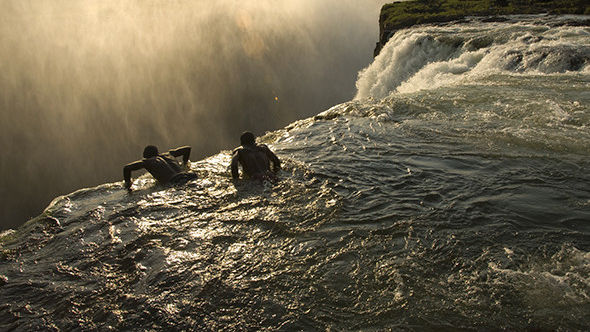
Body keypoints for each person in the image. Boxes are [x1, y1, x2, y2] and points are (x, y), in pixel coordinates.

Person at [123, 145, 196, 191]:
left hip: (173, 182)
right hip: (189, 175)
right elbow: (187, 149)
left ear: (146, 157)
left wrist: (128, 184)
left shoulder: (147, 162)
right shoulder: (169, 154)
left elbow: (126, 168)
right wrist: (184, 164)